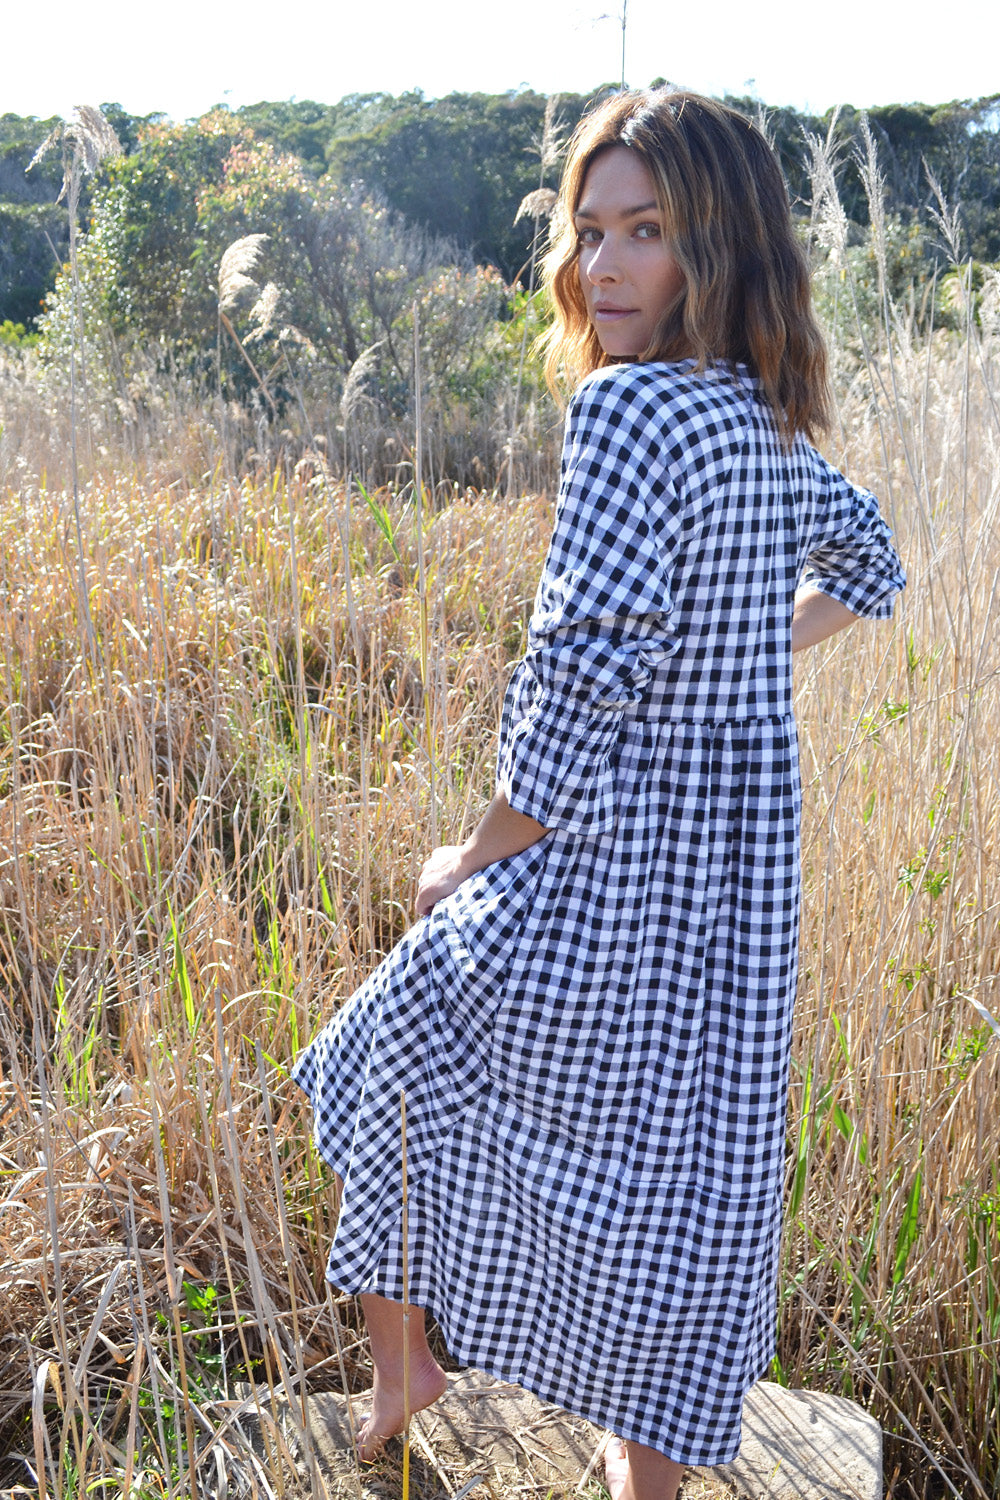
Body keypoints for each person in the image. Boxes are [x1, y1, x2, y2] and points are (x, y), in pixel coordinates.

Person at [292, 89, 905, 1500]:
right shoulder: (762, 417)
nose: (605, 268)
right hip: (740, 888)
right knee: (691, 1183)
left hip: (608, 856)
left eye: (650, 232)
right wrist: (735, 656)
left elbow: (573, 673)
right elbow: (868, 567)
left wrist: (474, 849)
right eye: (591, 233)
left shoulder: (630, 411)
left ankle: (403, 1365)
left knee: (380, 1054)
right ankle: (635, 1481)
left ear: (726, 248)